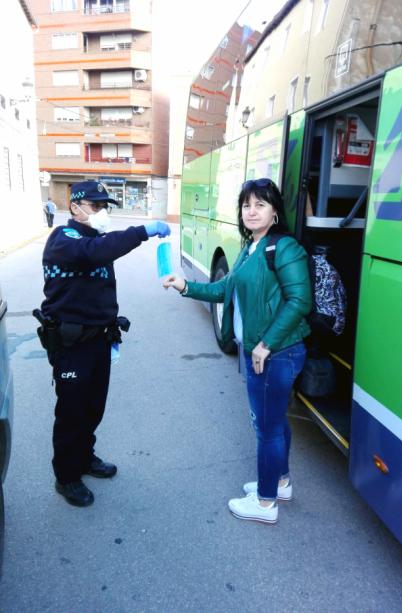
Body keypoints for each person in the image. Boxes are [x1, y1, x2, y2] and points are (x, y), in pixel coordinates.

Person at [163, 178, 311, 524]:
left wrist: (265, 345)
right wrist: (185, 285)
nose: (252, 211)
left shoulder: (284, 248)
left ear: (275, 211)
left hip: (276, 353)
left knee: (267, 428)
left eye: (260, 204)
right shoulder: (250, 248)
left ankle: (264, 502)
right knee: (275, 422)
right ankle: (281, 482)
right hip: (261, 351)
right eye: (246, 205)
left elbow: (300, 300)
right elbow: (225, 289)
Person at [35, 180, 171, 507]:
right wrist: (144, 230)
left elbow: (102, 265)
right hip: (70, 344)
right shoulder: (63, 239)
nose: (101, 213)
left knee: (93, 406)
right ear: (76, 207)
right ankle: (66, 476)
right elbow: (96, 252)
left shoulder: (96, 240)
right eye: (95, 207)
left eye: (104, 207)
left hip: (98, 340)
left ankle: (84, 457)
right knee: (71, 412)